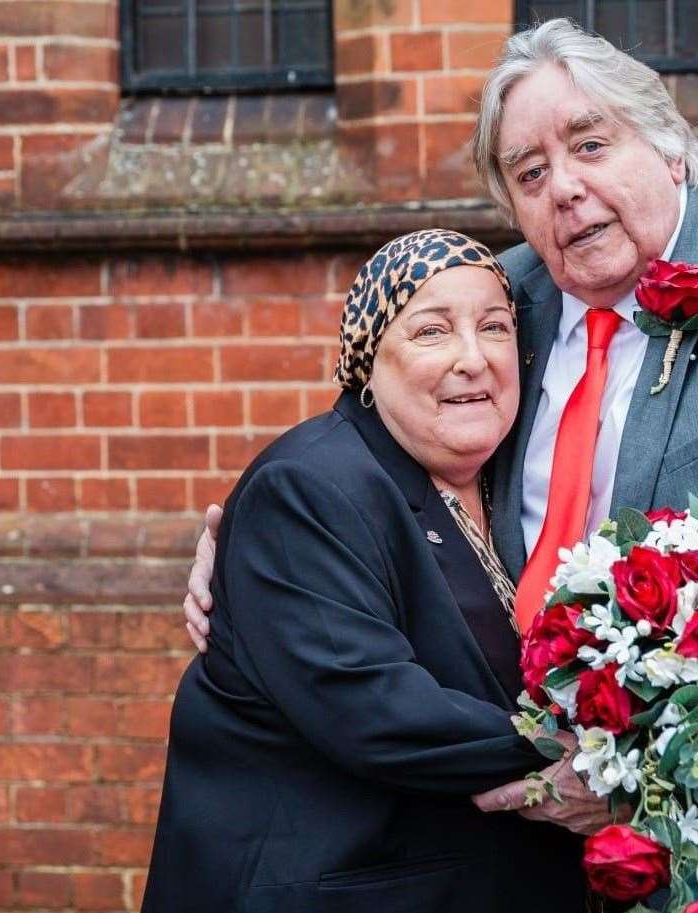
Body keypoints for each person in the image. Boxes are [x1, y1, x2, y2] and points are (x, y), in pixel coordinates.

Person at [185, 19, 698, 913]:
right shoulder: (506, 298)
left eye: (590, 143)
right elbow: (377, 417)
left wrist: (637, 761)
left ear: (669, 147)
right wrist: (247, 543)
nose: (565, 188)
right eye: (529, 172)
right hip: (603, 866)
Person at [144, 230, 591, 913]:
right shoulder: (308, 487)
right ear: (367, 360)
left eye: (493, 328)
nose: (472, 359)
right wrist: (590, 762)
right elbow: (372, 705)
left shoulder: (515, 479)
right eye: (432, 331)